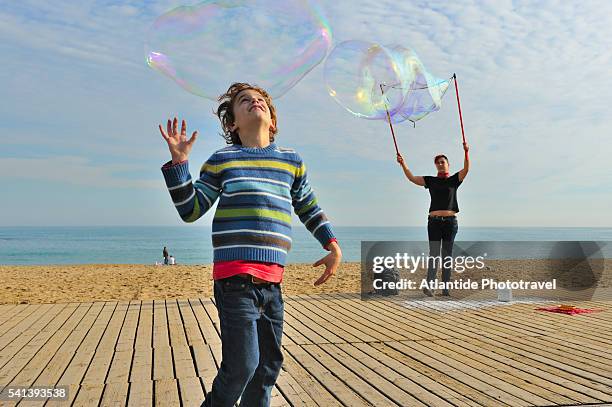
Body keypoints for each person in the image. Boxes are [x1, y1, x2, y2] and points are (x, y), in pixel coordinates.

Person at [158, 82, 342, 407]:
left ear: (272, 120)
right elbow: (191, 209)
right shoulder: (223, 160)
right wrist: (179, 166)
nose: (255, 103)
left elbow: (308, 206)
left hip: (273, 285)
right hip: (234, 282)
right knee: (242, 366)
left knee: (268, 368)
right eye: (245, 101)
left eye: (261, 101)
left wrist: (332, 244)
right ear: (233, 124)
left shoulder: (291, 161)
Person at [396, 142, 469, 296]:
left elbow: (466, 169)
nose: (440, 164)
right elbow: (412, 178)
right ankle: (430, 286)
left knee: (447, 255)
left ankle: (446, 289)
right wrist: (403, 164)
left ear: (448, 164)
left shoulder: (454, 179)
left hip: (450, 223)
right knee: (434, 254)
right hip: (434, 222)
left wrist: (466, 152)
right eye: (437, 163)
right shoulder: (431, 180)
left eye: (442, 162)